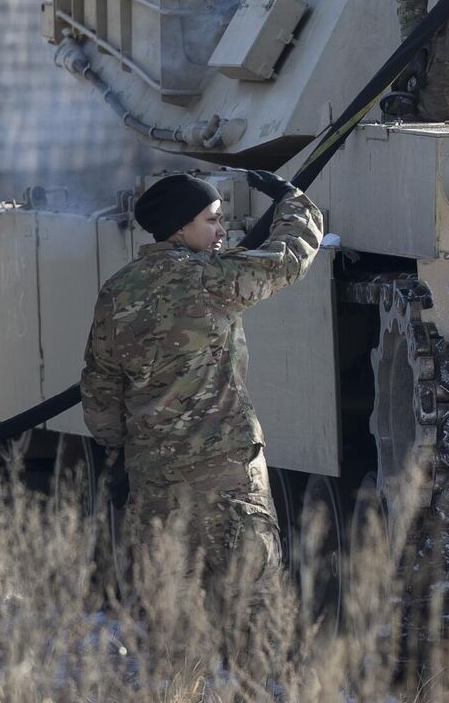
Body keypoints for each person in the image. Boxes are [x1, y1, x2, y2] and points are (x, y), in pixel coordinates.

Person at [80, 169, 323, 615]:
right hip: (228, 478)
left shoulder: (117, 290)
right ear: (179, 226)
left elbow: (100, 389)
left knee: (171, 613)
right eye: (211, 219)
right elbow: (288, 257)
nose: (222, 230)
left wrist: (125, 451)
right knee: (252, 605)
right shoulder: (209, 279)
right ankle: (249, 685)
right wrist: (294, 201)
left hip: (155, 480)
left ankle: (178, 688)